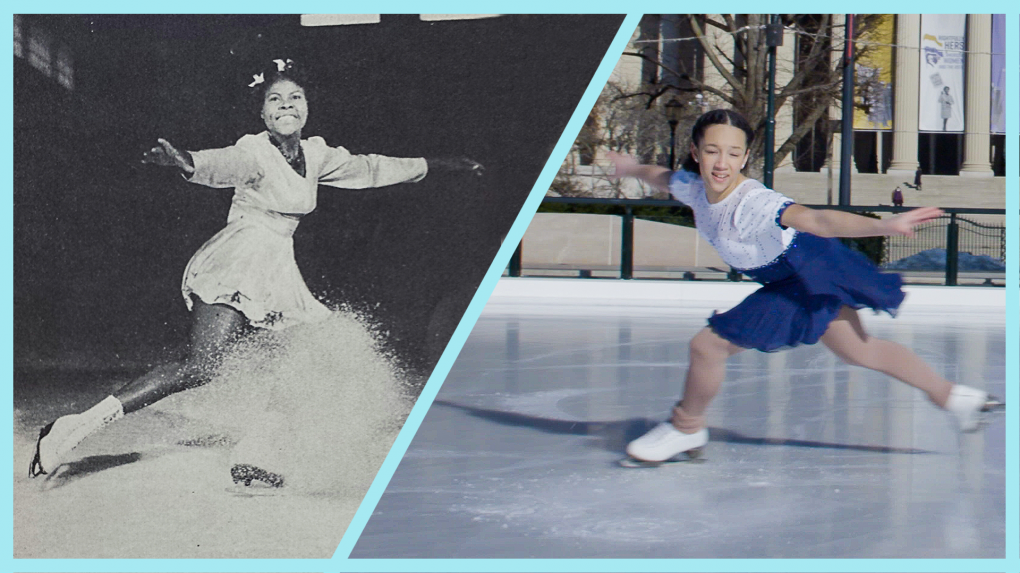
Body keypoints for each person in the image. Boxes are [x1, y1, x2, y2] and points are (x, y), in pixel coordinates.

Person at [30, 58, 484, 484]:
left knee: (314, 351)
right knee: (201, 366)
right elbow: (222, 162)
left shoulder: (317, 154)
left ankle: (256, 451)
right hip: (241, 256)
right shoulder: (254, 151)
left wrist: (440, 165)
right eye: (275, 100)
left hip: (278, 266)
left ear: (307, 108)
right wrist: (187, 161)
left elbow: (371, 168)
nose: (286, 106)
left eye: (295, 98)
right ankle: (72, 429)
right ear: (262, 113)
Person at [609, 109, 1002, 463]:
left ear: (746, 157)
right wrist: (630, 168)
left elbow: (818, 222)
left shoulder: (755, 202)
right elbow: (662, 178)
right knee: (860, 350)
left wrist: (883, 225)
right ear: (696, 152)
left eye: (733, 153)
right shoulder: (693, 187)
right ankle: (955, 398)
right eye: (712, 151)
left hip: (801, 274)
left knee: (707, 346)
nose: (722, 163)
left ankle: (686, 426)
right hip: (798, 273)